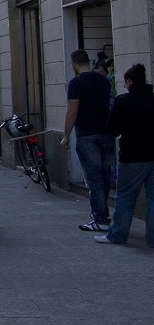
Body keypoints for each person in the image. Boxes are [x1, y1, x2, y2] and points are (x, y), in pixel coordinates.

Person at [96, 63, 154, 246]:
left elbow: (113, 128)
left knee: (125, 197)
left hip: (132, 156)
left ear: (129, 81)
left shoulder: (122, 101)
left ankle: (118, 234)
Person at [61, 49, 116, 232]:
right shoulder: (103, 80)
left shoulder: (76, 83)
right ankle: (103, 214)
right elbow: (111, 104)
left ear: (74, 63)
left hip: (87, 134)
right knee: (104, 175)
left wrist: (66, 136)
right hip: (107, 133)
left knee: (93, 178)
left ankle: (100, 218)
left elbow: (72, 111)